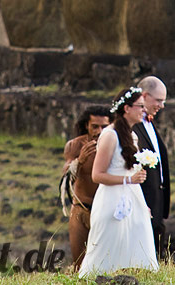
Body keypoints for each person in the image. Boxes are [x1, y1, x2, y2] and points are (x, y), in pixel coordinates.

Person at [79, 87, 158, 277]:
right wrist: (129, 179)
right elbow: (97, 175)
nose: (144, 110)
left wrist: (141, 199)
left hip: (132, 196)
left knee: (140, 239)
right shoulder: (110, 135)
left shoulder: (132, 135)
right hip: (111, 197)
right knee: (105, 247)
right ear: (127, 108)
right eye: (140, 106)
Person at [62, 106, 112, 269]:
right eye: (95, 126)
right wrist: (80, 161)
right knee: (79, 264)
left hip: (106, 211)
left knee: (108, 264)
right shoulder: (75, 145)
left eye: (104, 127)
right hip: (81, 209)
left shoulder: (116, 145)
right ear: (86, 125)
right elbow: (66, 176)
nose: (99, 131)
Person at [132, 76, 171, 254]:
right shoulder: (131, 127)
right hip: (143, 199)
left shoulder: (149, 122)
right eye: (159, 100)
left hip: (158, 199)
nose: (162, 106)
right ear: (145, 96)